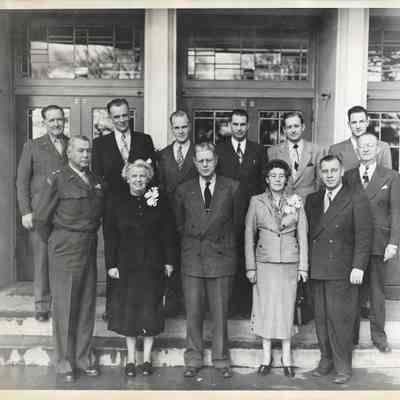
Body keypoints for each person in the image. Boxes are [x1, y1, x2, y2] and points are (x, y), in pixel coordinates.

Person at [34, 136, 103, 383]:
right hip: (65, 246)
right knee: (64, 307)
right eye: (81, 151)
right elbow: (41, 219)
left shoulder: (94, 180)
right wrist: (58, 241)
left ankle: (83, 359)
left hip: (88, 245)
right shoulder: (58, 178)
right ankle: (64, 363)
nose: (86, 155)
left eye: (88, 151)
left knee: (85, 306)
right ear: (70, 153)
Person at [104, 160, 176, 377]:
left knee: (150, 310)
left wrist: (169, 261)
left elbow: (168, 232)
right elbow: (110, 235)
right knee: (129, 311)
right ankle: (131, 359)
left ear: (148, 178)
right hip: (127, 265)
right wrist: (111, 264)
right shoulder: (116, 201)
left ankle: (146, 359)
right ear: (127, 177)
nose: (138, 180)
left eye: (142, 176)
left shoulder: (158, 199)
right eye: (134, 176)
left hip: (152, 264)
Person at [174, 142, 240, 379]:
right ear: (194, 162)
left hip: (222, 257)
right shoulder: (183, 189)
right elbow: (179, 225)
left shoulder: (232, 187)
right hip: (193, 257)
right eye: (200, 161)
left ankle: (221, 359)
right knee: (193, 312)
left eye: (208, 160)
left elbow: (237, 224)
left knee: (220, 312)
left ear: (216, 161)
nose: (204, 165)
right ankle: (193, 358)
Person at [305, 155, 372, 384]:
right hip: (317, 268)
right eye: (325, 171)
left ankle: (343, 366)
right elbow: (307, 235)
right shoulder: (312, 200)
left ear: (342, 171)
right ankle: (326, 359)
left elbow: (364, 235)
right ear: (320, 174)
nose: (330, 175)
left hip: (343, 269)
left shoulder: (355, 196)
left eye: (334, 170)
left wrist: (358, 267)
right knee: (321, 318)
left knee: (340, 319)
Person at [92, 98, 156, 322]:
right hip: (113, 209)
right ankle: (114, 307)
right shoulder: (100, 145)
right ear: (110, 118)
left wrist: (149, 203)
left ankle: (141, 307)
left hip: (140, 207)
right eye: (116, 116)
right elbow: (97, 179)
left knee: (141, 255)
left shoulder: (144, 140)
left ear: (130, 115)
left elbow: (152, 174)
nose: (121, 120)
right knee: (115, 254)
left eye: (124, 115)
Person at [245, 159, 308, 378]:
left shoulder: (296, 200)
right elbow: (248, 235)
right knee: (265, 309)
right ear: (267, 179)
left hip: (290, 262)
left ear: (287, 178)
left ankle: (287, 357)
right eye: (273, 176)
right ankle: (266, 357)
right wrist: (250, 267)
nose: (278, 179)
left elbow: (302, 234)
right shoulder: (256, 201)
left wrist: (303, 266)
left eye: (282, 175)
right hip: (264, 262)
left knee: (286, 309)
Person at [345, 133, 400, 353]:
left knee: (377, 292)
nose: (365, 150)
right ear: (356, 151)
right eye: (361, 147)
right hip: (353, 243)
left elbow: (396, 212)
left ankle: (379, 337)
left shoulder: (391, 176)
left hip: (379, 242)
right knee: (352, 292)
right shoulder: (348, 176)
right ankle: (351, 337)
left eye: (370, 146)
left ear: (378, 149)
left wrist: (393, 242)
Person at [16, 105, 69, 322]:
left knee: (63, 259)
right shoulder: (32, 146)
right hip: (40, 213)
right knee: (42, 259)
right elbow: (21, 182)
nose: (56, 124)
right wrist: (26, 211)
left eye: (60, 119)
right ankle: (41, 305)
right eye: (52, 120)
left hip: (66, 213)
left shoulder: (71, 144)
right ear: (44, 123)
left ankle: (63, 302)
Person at [216, 109, 266, 318]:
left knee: (250, 257)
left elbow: (264, 182)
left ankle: (247, 307)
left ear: (248, 125)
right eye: (235, 124)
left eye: (242, 124)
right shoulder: (219, 149)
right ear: (229, 125)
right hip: (226, 214)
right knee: (230, 259)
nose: (239, 128)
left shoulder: (258, 150)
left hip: (251, 214)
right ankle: (230, 307)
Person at [157, 110, 198, 313]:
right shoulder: (163, 155)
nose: (181, 131)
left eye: (184, 127)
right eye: (177, 128)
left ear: (189, 126)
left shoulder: (200, 153)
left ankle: (192, 306)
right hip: (170, 218)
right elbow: (160, 186)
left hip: (195, 216)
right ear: (171, 128)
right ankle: (173, 305)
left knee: (191, 260)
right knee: (171, 259)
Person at [267, 111, 326, 198]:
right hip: (282, 202)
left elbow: (320, 181)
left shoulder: (317, 150)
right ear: (284, 130)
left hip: (308, 203)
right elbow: (270, 181)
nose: (293, 130)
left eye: (296, 126)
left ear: (303, 127)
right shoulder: (273, 151)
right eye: (289, 127)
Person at [329, 105, 392, 171]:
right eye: (354, 122)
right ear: (349, 124)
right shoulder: (335, 150)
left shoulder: (383, 147)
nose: (358, 126)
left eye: (361, 122)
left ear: (367, 123)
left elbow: (388, 178)